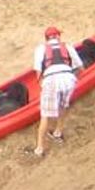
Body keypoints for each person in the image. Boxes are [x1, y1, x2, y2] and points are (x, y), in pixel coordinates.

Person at [31, 26, 85, 158]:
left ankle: (39, 149)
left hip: (51, 80)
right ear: (58, 37)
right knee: (63, 106)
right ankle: (58, 133)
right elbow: (80, 67)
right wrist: (75, 79)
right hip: (68, 79)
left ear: (46, 38)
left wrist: (41, 86)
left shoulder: (40, 49)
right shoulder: (68, 46)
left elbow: (38, 72)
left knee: (45, 115)